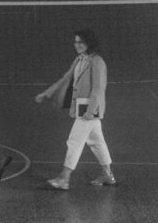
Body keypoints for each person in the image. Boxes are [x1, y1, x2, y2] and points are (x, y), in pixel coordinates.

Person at [34, 29, 115, 190]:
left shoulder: (97, 61)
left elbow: (98, 89)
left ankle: (64, 178)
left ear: (89, 43)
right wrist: (47, 94)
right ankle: (108, 174)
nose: (77, 45)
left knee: (74, 142)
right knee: (96, 141)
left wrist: (91, 111)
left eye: (81, 42)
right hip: (81, 107)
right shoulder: (79, 59)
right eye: (75, 42)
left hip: (89, 109)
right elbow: (65, 78)